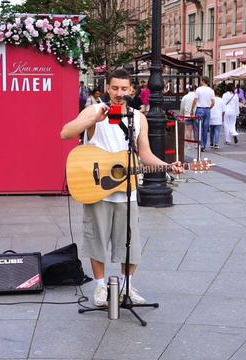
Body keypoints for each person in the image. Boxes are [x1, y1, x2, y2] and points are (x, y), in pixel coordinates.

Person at [60, 69, 184, 307]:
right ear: (107, 88)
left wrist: (168, 166)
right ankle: (100, 287)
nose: (119, 93)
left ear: (131, 91)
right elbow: (66, 133)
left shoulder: (138, 118)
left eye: (124, 89)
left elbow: (145, 154)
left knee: (130, 242)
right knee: (96, 239)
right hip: (97, 188)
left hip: (127, 190)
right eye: (114, 88)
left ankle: (127, 286)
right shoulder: (95, 110)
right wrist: (92, 120)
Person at [190, 76, 216, 151]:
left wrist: (192, 110)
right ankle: (204, 145)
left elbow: (195, 100)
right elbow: (213, 102)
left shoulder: (199, 89)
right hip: (207, 110)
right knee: (205, 128)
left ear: (203, 81)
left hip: (200, 109)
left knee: (198, 128)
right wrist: (209, 108)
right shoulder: (211, 90)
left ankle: (199, 144)